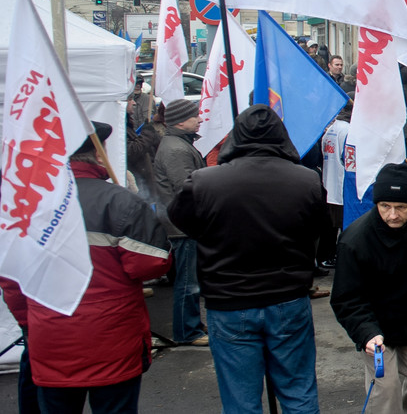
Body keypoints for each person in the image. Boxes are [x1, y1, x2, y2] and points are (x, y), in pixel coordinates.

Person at [1, 122, 172, 414]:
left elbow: (12, 281)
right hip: (112, 340)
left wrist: (32, 323)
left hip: (51, 341)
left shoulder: (26, 207)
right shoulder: (120, 201)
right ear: (97, 152)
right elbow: (151, 265)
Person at [168, 105, 327, 414]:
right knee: (298, 393)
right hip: (285, 297)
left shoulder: (204, 181)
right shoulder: (305, 180)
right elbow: (316, 227)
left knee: (241, 401)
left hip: (230, 301)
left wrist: (217, 233)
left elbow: (183, 219)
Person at [332, 163, 407, 413]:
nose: (393, 214)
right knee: (386, 387)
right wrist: (366, 333)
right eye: (385, 206)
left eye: (401, 207)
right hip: (376, 325)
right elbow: (345, 298)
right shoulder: (355, 240)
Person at [152, 98, 207, 346]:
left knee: (190, 280)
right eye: (195, 115)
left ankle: (192, 325)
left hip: (182, 224)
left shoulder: (178, 144)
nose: (200, 118)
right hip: (182, 227)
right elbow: (185, 190)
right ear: (182, 121)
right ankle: (188, 331)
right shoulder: (176, 149)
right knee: (188, 282)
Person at [318, 102, 352, 270]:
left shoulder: (332, 127)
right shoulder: (346, 130)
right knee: (339, 225)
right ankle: (331, 256)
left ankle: (327, 256)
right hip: (340, 184)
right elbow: (348, 159)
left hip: (329, 181)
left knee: (331, 225)